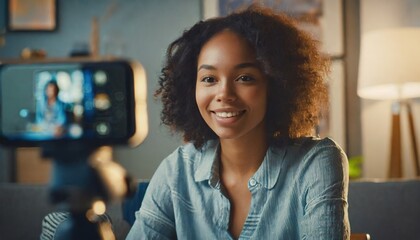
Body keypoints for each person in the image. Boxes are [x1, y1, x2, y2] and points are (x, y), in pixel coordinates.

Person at [127, 5, 350, 239]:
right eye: (209, 79)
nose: (224, 94)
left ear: (275, 85)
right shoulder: (177, 171)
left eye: (245, 78)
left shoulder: (315, 162)